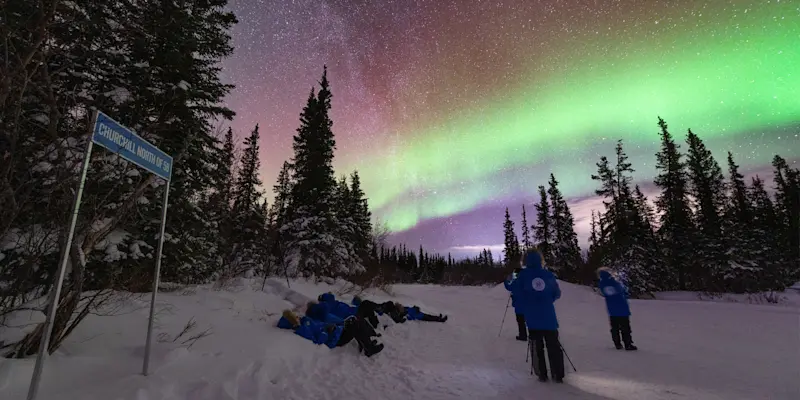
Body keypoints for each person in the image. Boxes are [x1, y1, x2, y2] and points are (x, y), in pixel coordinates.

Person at [511, 248, 565, 383]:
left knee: (537, 346)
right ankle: (558, 374)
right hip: (549, 316)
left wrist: (527, 303)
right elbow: (557, 293)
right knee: (554, 346)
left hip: (532, 317)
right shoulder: (547, 274)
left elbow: (515, 291)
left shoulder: (522, 275)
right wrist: (546, 300)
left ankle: (542, 374)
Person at [277, 310, 385, 357]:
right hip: (335, 339)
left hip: (337, 330)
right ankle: (369, 349)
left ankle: (365, 343)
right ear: (293, 322)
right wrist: (327, 331)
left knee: (357, 320)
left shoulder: (305, 320)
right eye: (294, 317)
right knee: (355, 325)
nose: (297, 316)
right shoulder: (303, 330)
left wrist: (335, 324)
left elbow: (320, 324)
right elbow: (317, 340)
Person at [597, 267, 637, 351]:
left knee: (614, 328)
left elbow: (605, 294)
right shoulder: (615, 282)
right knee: (625, 327)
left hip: (612, 309)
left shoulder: (602, 284)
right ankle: (628, 344)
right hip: (622, 309)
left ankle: (617, 344)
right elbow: (623, 291)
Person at [504, 255, 527, 341]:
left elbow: (509, 287)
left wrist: (506, 281)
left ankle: (523, 335)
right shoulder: (526, 278)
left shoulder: (515, 280)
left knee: (521, 321)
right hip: (528, 303)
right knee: (530, 320)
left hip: (519, 305)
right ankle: (534, 336)